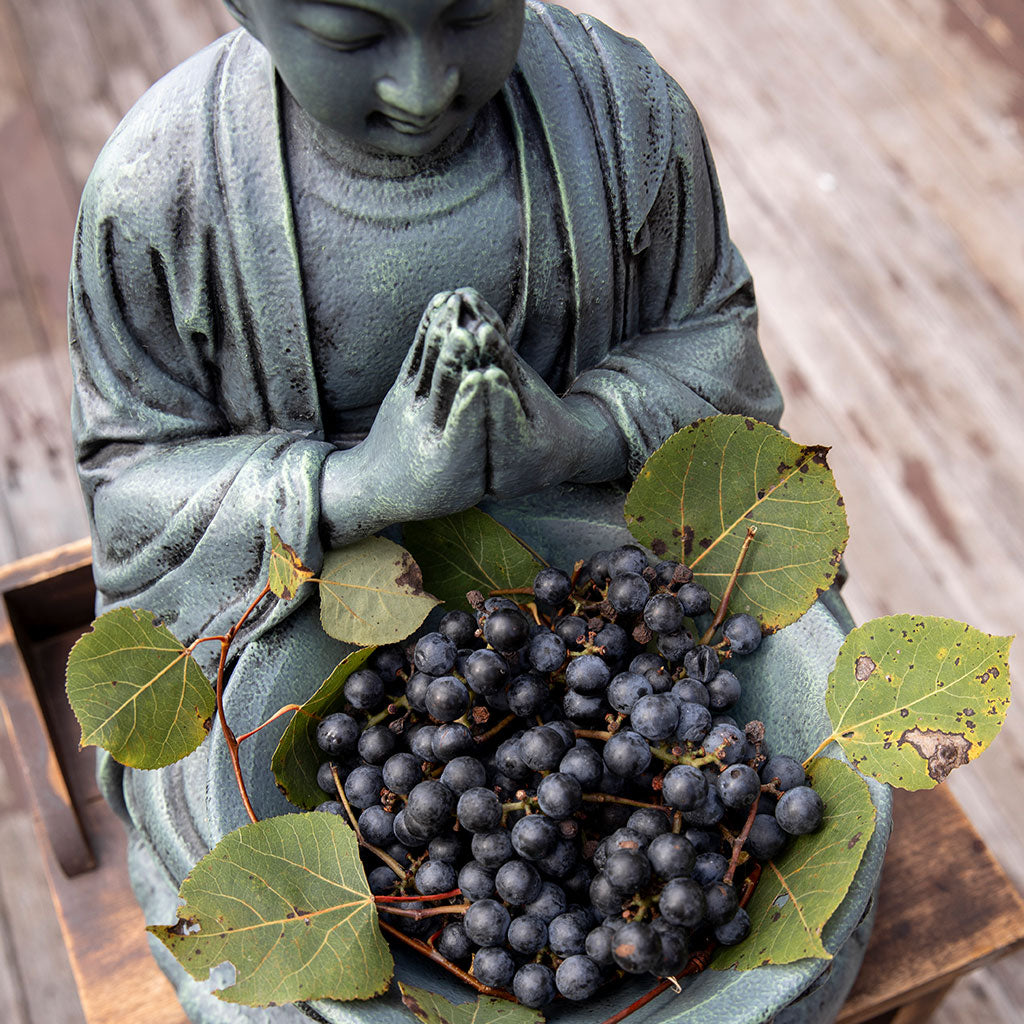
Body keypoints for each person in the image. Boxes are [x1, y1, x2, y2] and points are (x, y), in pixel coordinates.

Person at [69, 1, 784, 1019]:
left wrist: (574, 433)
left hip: (595, 595)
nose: (423, 85)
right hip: (294, 611)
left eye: (469, 16)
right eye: (354, 36)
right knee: (244, 906)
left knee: (737, 751)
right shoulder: (162, 194)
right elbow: (129, 480)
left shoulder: (619, 112)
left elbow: (719, 352)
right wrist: (357, 486)